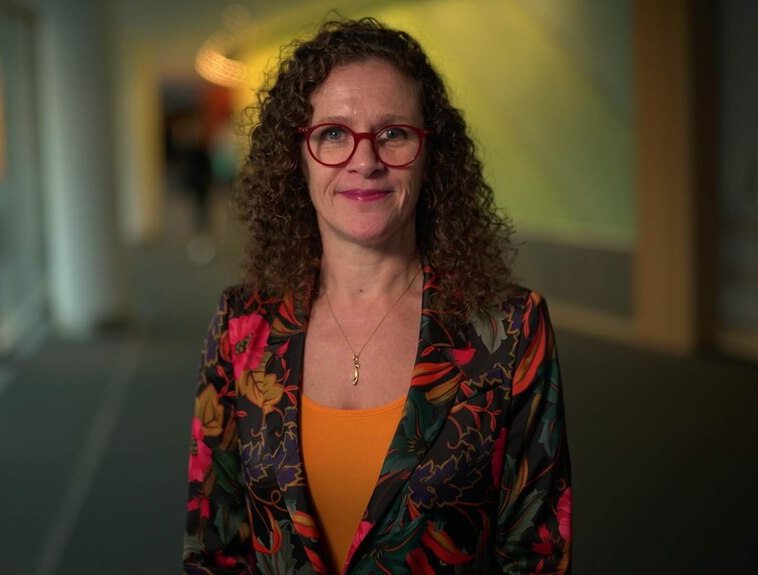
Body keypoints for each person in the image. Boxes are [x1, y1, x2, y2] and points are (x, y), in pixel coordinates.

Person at [183, 17, 571, 575]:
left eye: (393, 133)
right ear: (296, 155)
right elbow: (213, 549)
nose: (364, 161)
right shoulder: (242, 325)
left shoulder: (509, 330)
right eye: (333, 133)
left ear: (430, 152)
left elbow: (538, 557)